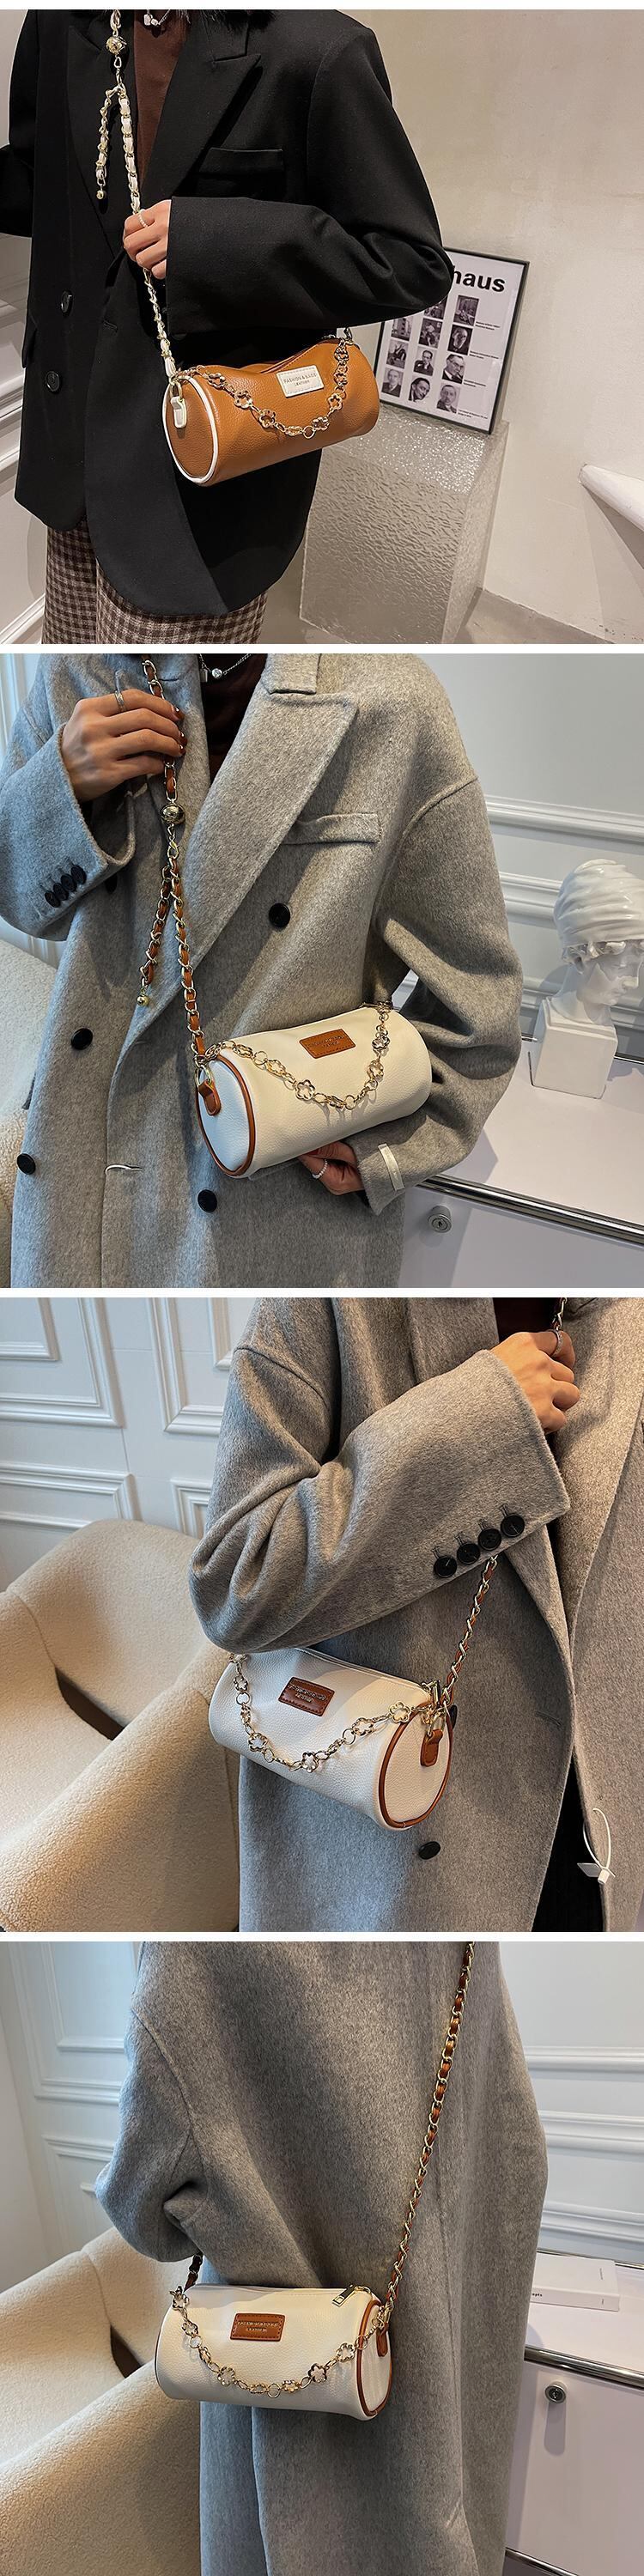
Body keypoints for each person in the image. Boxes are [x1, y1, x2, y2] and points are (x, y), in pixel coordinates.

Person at [0, 648, 522, 1288]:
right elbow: (21, 902)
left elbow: (481, 1002)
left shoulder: (393, 701)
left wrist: (384, 1151)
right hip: (85, 1169)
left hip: (269, 1191)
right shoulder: (76, 670)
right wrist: (60, 785)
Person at [189, 1293, 644, 1932]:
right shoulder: (327, 1306)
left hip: (601, 1840)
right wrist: (479, 1420)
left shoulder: (622, 1308)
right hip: (394, 1857)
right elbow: (239, 1581)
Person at [97, 1937, 547, 2576]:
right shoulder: (463, 1945)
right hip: (456, 2340)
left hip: (290, 2431)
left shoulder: (191, 1956)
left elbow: (142, 2199)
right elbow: (519, 2142)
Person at [0, 9, 453, 642]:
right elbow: (40, 178)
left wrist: (211, 241)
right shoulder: (63, 22)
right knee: (75, 684)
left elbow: (408, 261)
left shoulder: (316, 48)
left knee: (169, 704)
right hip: (71, 455)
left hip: (198, 481)